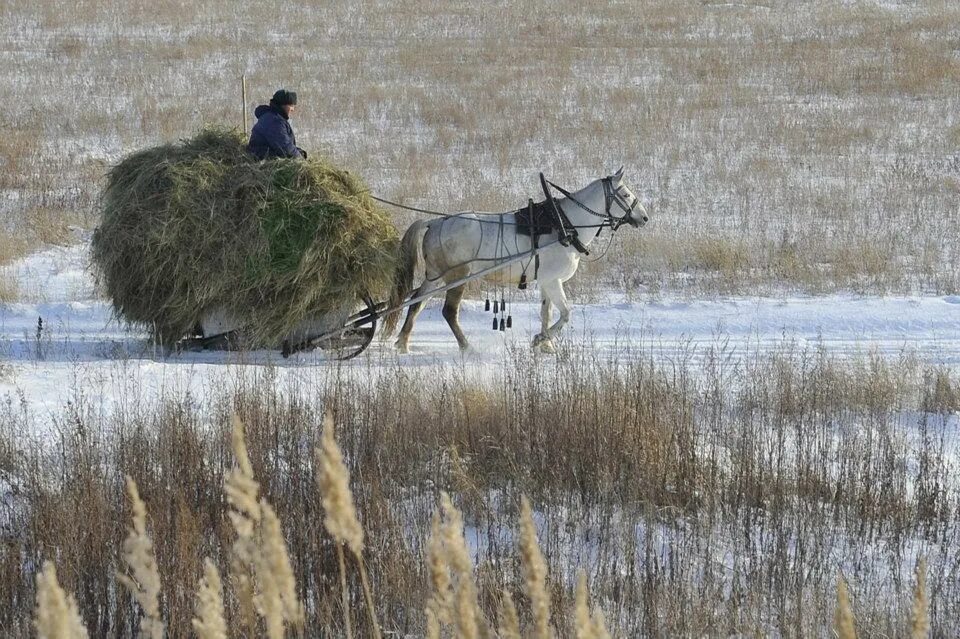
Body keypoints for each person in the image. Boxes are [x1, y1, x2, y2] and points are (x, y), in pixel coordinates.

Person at [247, 89, 307, 160]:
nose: (292, 109)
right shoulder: (274, 121)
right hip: (264, 161)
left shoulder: (272, 117)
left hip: (264, 157)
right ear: (282, 105)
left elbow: (285, 144)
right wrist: (301, 160)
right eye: (291, 105)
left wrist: (299, 152)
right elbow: (285, 148)